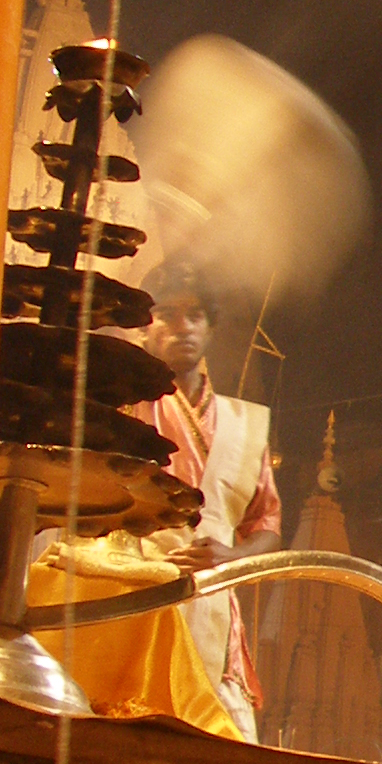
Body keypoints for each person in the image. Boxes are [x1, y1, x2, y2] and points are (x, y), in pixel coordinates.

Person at [126, 264, 280, 739]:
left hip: (214, 601)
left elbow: (267, 524)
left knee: (220, 743)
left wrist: (233, 558)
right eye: (166, 313)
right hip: (135, 594)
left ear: (211, 328)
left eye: (194, 315)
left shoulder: (243, 423)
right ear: (145, 327)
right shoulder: (122, 408)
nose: (182, 326)